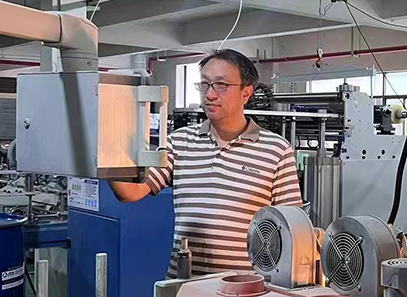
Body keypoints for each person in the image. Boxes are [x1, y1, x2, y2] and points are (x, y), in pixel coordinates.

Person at [110, 49, 302, 276]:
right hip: (184, 284)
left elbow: (292, 228)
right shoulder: (179, 142)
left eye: (221, 85)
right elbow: (130, 192)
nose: (210, 95)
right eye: (205, 84)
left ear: (246, 92)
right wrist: (107, 144)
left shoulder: (276, 150)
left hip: (245, 288)